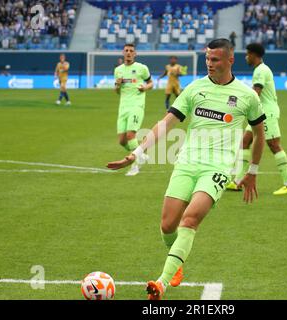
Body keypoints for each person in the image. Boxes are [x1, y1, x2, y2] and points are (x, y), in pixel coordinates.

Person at [107, 39, 265, 300]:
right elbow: (166, 123)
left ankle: (161, 283)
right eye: (207, 59)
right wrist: (136, 153)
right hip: (186, 163)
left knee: (190, 219)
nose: (209, 64)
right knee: (168, 226)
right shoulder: (194, 89)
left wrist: (253, 170)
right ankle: (176, 265)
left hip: (217, 168)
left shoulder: (247, 96)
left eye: (215, 59)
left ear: (230, 60)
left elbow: (259, 133)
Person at [227, 43, 287, 195]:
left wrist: (237, 103)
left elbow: (255, 93)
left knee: (274, 145)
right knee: (245, 142)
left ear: (253, 54)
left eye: (247, 54)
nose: (246, 57)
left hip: (266, 113)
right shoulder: (261, 69)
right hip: (259, 113)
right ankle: (237, 182)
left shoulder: (260, 71)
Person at [114, 43, 153, 176]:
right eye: (126, 51)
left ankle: (136, 165)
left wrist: (145, 88)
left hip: (137, 105)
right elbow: (117, 91)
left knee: (131, 135)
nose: (129, 53)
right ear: (123, 53)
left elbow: (151, 83)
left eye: (131, 51)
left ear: (135, 54)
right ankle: (140, 154)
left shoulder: (142, 68)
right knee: (122, 141)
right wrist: (117, 85)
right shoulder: (118, 70)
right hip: (123, 107)